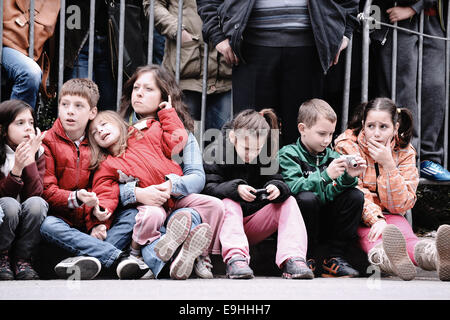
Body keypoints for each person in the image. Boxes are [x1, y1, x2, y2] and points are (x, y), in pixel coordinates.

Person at [196, 0, 360, 145]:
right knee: (251, 130)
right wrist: (217, 35)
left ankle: (301, 178)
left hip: (309, 48)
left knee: (304, 130)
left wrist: (345, 33)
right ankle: (250, 180)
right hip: (251, 47)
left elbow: (350, 3)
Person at [117, 64, 225, 280]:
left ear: (165, 96)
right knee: (155, 218)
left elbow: (197, 177)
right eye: (136, 88)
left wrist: (171, 186)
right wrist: (137, 193)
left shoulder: (183, 134)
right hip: (139, 207)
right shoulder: (118, 131)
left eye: (148, 89)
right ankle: (181, 258)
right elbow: (106, 180)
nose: (139, 93)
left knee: (197, 211)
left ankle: (194, 255)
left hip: (174, 202)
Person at [39, 78, 146, 280]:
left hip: (92, 222)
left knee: (132, 214)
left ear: (92, 113)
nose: (70, 111)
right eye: (65, 104)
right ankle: (116, 258)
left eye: (79, 106)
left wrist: (98, 222)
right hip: (63, 221)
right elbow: (47, 190)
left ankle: (83, 260)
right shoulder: (47, 142)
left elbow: (106, 185)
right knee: (47, 225)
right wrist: (76, 197)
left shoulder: (98, 141)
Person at [335, 97, 450, 281]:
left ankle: (437, 258)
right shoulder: (348, 145)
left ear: (395, 128)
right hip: (358, 215)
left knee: (409, 239)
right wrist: (376, 220)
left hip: (391, 214)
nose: (376, 134)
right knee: (377, 240)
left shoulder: (405, 151)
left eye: (383, 127)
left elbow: (401, 204)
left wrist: (388, 164)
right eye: (371, 126)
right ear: (363, 124)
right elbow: (354, 191)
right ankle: (391, 263)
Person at [203, 108, 313, 279]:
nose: (252, 154)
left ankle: (293, 258)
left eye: (256, 149)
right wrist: (235, 189)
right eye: (246, 148)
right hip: (222, 226)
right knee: (229, 202)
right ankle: (236, 259)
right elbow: (206, 189)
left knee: (288, 201)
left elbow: (281, 180)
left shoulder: (266, 152)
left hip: (253, 222)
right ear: (233, 137)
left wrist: (277, 187)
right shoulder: (215, 151)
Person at [278, 99, 366, 278]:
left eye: (331, 134)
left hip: (327, 220)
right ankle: (305, 258)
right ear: (302, 129)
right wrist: (325, 176)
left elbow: (332, 193)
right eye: (321, 134)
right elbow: (292, 187)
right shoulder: (288, 154)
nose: (327, 140)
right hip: (303, 221)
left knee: (354, 196)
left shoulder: (333, 156)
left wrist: (350, 176)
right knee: (306, 198)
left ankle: (335, 259)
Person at [371, 0, 450, 181]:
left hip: (433, 19)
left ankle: (429, 158)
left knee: (435, 87)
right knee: (402, 91)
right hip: (393, 18)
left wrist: (415, 7)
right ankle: (406, 156)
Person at [147, 0, 232, 132]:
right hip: (186, 72)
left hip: (225, 74)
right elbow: (152, 4)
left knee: (221, 144)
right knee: (185, 142)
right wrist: (177, 30)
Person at [0, 100, 48, 280]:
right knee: (9, 205)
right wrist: (16, 170)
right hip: (5, 218)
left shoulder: (39, 151)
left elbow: (35, 193)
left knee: (38, 204)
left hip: (26, 222)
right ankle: (2, 257)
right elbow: (4, 199)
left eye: (31, 123)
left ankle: (23, 259)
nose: (28, 128)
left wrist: (29, 160)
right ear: (4, 129)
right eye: (20, 123)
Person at [2, 0, 60, 109]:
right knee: (30, 72)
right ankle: (18, 121)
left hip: (28, 52)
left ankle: (21, 121)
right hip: (5, 46)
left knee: (31, 72)